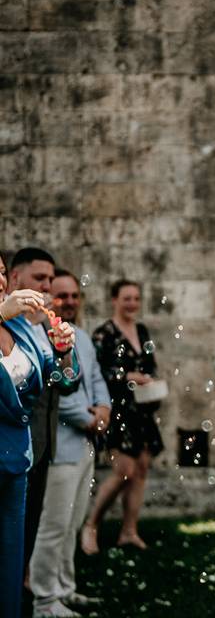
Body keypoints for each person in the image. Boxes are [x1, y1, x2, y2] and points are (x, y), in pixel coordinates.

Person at [0, 251, 79, 618]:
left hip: (16, 461)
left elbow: (61, 380)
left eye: (0, 273)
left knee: (11, 565)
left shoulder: (22, 330)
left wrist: (64, 352)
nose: (0, 282)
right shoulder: (8, 316)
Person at [30, 269, 110, 617]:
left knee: (74, 521)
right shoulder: (44, 337)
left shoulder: (82, 337)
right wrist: (88, 418)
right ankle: (44, 599)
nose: (70, 302)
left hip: (86, 445)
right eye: (62, 296)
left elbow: (94, 378)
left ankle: (65, 587)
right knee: (54, 525)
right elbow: (58, 392)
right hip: (61, 445)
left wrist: (105, 408)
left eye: (75, 296)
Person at [83, 280, 161, 553]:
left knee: (140, 470)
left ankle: (129, 532)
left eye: (136, 299)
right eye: (127, 298)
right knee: (123, 471)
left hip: (142, 410)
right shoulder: (103, 334)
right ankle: (91, 525)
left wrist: (150, 381)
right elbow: (96, 372)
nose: (132, 304)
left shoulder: (141, 330)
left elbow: (150, 364)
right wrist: (127, 377)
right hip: (116, 411)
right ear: (114, 300)